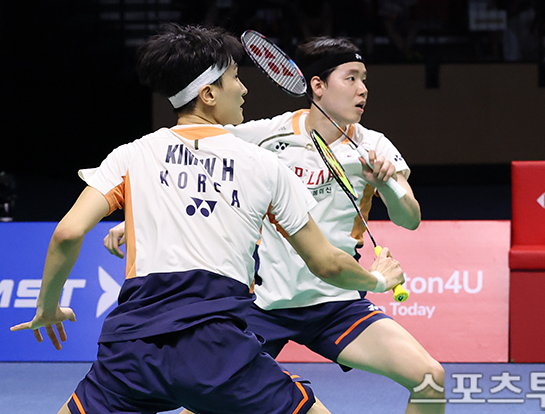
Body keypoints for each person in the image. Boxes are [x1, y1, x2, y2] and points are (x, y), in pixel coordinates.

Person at [9, 23, 405, 414]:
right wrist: (376, 279)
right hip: (220, 351)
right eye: (235, 78)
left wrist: (47, 307)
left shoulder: (131, 154)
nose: (244, 89)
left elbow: (67, 233)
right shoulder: (265, 165)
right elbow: (327, 263)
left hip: (131, 351)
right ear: (208, 94)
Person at [106, 36, 446, 413]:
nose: (362, 89)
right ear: (317, 85)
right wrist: (144, 215)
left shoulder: (375, 146)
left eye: (364, 79)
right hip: (263, 305)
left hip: (335, 303)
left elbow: (409, 218)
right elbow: (188, 156)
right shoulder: (267, 134)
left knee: (429, 378)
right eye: (351, 78)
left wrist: (386, 184)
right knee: (200, 406)